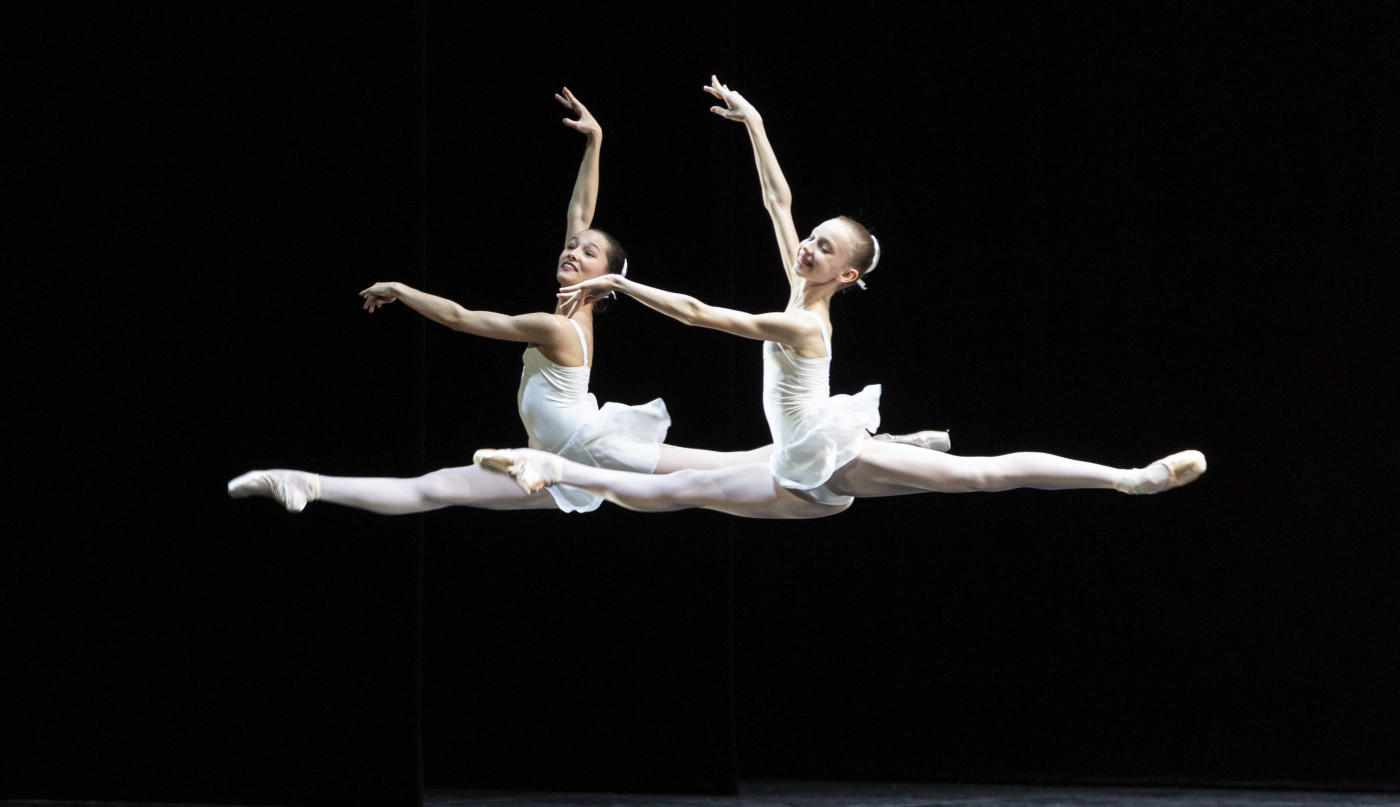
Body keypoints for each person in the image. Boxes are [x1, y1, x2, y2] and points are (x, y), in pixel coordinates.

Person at [472, 77, 1205, 518]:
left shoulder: (802, 324)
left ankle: (1129, 478)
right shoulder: (800, 285)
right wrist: (755, 125)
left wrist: (619, 281)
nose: (807, 245)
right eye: (812, 237)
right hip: (797, 464)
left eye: (824, 247)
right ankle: (904, 442)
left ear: (846, 276)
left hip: (824, 463)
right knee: (681, 488)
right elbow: (775, 201)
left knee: (981, 474)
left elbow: (701, 313)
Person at [228, 88, 777, 515]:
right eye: (571, 248)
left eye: (588, 255)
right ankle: (307, 484)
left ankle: (828, 456)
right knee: (436, 488)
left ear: (607, 280)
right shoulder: (568, 311)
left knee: (718, 474)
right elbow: (580, 214)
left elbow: (464, 320)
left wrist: (400, 289)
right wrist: (596, 141)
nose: (573, 251)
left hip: (593, 449)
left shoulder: (557, 327)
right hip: (553, 452)